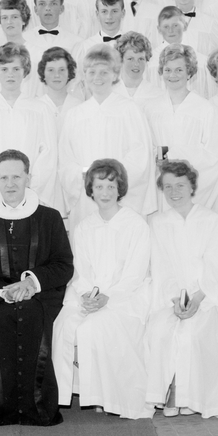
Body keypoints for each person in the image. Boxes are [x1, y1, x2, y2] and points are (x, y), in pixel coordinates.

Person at [0, 149, 74, 426]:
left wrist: (31, 282)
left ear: (29, 177)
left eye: (17, 176)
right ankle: (0, 409)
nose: (10, 184)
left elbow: (63, 265)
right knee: (0, 323)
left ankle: (38, 409)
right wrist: (4, 291)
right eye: (4, 177)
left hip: (40, 297)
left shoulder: (49, 217)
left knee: (32, 319)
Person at [53, 159, 154, 419]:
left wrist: (108, 297)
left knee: (94, 328)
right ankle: (74, 392)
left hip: (125, 297)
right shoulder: (85, 226)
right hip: (91, 295)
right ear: (91, 190)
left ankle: (109, 397)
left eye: (111, 186)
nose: (105, 193)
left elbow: (136, 273)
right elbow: (82, 270)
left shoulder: (135, 224)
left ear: (120, 188)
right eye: (99, 186)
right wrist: (88, 295)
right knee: (64, 323)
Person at [144, 159, 218, 419]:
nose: (174, 192)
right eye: (168, 186)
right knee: (160, 332)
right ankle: (169, 391)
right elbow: (159, 266)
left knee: (193, 335)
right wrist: (175, 299)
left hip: (204, 297)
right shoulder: (158, 223)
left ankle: (190, 397)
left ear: (192, 186)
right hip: (171, 297)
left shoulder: (213, 221)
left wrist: (197, 298)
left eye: (180, 185)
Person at [58, 45, 156, 227]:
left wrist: (109, 180)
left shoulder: (129, 110)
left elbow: (140, 155)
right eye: (92, 72)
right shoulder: (75, 114)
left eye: (104, 72)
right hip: (86, 198)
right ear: (84, 75)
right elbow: (66, 159)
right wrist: (85, 174)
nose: (97, 78)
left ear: (114, 75)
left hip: (120, 195)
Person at [0, 43, 59, 211]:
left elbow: (48, 155)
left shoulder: (40, 109)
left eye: (16, 69)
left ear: (25, 71)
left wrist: (26, 187)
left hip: (30, 194)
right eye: (5, 69)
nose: (11, 75)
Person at [141, 44, 218, 212]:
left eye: (179, 70)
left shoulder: (204, 108)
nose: (172, 75)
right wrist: (155, 158)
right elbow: (144, 147)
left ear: (190, 72)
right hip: (160, 187)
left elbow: (215, 154)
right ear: (161, 72)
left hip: (193, 187)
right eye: (167, 70)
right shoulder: (151, 108)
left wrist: (174, 155)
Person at [145, 5, 216, 97]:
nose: (171, 30)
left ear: (185, 26)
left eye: (175, 25)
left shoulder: (201, 61)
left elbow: (211, 95)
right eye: (166, 26)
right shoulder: (151, 61)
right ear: (159, 29)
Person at [115, 32, 168, 108]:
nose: (136, 64)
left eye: (141, 59)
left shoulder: (158, 95)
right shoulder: (109, 93)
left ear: (147, 60)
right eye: (130, 59)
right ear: (121, 59)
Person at [37, 46, 83, 128]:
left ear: (69, 73)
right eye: (51, 70)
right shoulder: (36, 107)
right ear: (43, 73)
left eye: (62, 70)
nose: (57, 75)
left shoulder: (79, 106)